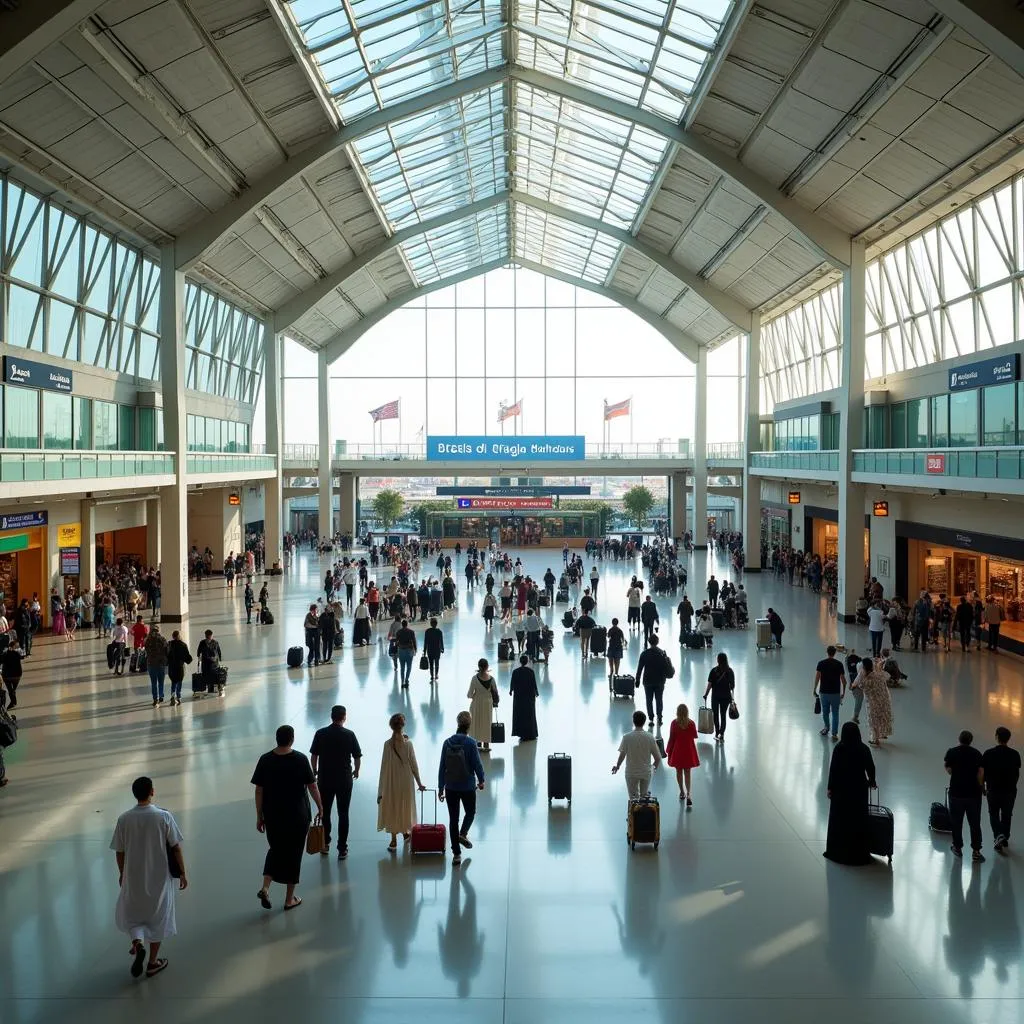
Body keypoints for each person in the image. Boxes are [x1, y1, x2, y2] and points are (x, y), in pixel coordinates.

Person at [110, 776, 187, 979]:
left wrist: (121, 873)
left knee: (134, 916)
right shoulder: (163, 817)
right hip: (159, 877)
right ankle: (152, 963)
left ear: (134, 794)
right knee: (158, 918)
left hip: (133, 876)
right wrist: (183, 872)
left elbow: (119, 850)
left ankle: (138, 943)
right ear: (152, 792)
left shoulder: (124, 818)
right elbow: (175, 847)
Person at [252, 725, 323, 911]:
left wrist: (259, 816)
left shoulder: (265, 760)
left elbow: (259, 790)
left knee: (275, 849)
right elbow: (312, 786)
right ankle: (289, 899)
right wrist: (320, 807)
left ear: (277, 738)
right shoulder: (300, 759)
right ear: (292, 739)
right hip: (297, 816)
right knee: (294, 854)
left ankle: (265, 887)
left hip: (273, 815)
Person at [310, 705, 362, 860]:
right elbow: (357, 756)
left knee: (325, 811)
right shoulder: (349, 734)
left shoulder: (321, 733)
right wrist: (356, 771)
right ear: (344, 717)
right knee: (343, 813)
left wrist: (315, 770)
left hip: (325, 779)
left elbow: (314, 755)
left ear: (331, 716)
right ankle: (342, 849)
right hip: (344, 779)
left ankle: (325, 844)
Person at [823, 722, 877, 865]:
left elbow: (833, 769)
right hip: (858, 789)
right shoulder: (864, 749)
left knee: (840, 820)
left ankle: (838, 851)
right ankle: (858, 853)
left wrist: (830, 788)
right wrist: (872, 781)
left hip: (841, 790)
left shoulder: (839, 748)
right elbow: (870, 767)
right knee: (857, 820)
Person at [438, 710, 486, 865]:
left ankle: (456, 854)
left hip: (451, 786)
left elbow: (442, 767)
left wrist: (440, 787)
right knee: (470, 812)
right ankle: (463, 833)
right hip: (467, 786)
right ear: (469, 725)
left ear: (458, 724)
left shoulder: (447, 742)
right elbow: (477, 764)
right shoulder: (471, 743)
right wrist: (481, 780)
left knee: (453, 819)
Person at [377, 712, 426, 851]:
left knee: (393, 804)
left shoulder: (387, 744)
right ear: (403, 725)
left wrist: (381, 789)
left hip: (391, 779)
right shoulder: (408, 744)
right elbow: (414, 765)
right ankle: (405, 833)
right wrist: (419, 783)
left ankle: (393, 841)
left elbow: (384, 766)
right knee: (405, 804)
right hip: (405, 778)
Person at [944, 729, 985, 863]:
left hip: (956, 793)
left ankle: (957, 847)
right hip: (973, 794)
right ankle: (976, 851)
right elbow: (980, 774)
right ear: (971, 741)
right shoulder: (977, 754)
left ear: (959, 739)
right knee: (974, 823)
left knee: (956, 822)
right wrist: (981, 788)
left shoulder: (952, 752)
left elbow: (949, 770)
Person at [982, 727, 1020, 853]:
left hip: (993, 789)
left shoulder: (988, 753)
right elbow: (1016, 773)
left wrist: (983, 786)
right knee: (1007, 814)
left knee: (993, 813)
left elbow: (983, 772)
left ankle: (998, 835)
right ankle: (1004, 837)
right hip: (1009, 791)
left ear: (997, 736)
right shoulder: (1015, 754)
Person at [612, 710, 662, 798]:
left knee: (633, 799)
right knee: (644, 798)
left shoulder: (627, 737)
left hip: (631, 773)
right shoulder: (650, 737)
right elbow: (657, 758)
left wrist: (617, 766)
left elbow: (622, 755)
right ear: (644, 722)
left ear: (633, 721)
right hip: (645, 772)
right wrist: (653, 768)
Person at [635, 634, 673, 726]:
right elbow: (666, 666)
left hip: (647, 681)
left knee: (649, 700)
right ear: (657, 642)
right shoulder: (662, 653)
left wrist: (637, 679)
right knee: (659, 699)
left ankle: (651, 719)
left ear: (649, 642)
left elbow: (640, 668)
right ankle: (659, 717)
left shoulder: (644, 654)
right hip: (660, 680)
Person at [666, 703, 699, 806]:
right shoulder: (691, 723)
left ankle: (681, 792)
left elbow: (672, 738)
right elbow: (694, 735)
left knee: (679, 771)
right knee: (688, 773)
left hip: (678, 751)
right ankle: (689, 793)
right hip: (688, 750)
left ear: (677, 712)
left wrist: (667, 750)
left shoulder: (674, 724)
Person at [814, 645, 847, 740]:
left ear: (827, 652)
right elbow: (844, 681)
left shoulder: (821, 663)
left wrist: (814, 689)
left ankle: (826, 728)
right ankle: (834, 733)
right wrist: (843, 693)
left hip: (823, 692)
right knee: (835, 713)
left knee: (825, 712)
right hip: (835, 693)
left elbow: (817, 678)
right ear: (835, 653)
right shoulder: (839, 664)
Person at [858, 657, 893, 745]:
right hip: (884, 700)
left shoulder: (867, 680)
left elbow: (861, 686)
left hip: (873, 703)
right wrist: (879, 668)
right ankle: (882, 734)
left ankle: (875, 739)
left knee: (873, 720)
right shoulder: (879, 675)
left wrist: (862, 675)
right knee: (882, 717)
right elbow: (888, 676)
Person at [702, 652, 735, 743]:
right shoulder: (730, 671)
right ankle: (722, 734)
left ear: (718, 660)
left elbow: (709, 685)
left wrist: (706, 694)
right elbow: (732, 687)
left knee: (715, 715)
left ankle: (717, 733)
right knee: (723, 715)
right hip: (726, 697)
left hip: (715, 696)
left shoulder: (714, 671)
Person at [467, 659, 498, 752]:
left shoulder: (474, 678)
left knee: (476, 723)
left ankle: (476, 744)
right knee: (486, 723)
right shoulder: (492, 679)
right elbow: (495, 692)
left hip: (477, 703)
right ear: (487, 667)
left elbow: (469, 694)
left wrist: (474, 696)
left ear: (478, 666)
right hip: (488, 704)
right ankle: (486, 744)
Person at [509, 655, 539, 742]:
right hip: (529, 696)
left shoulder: (515, 672)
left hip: (519, 696)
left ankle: (521, 733)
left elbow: (512, 683)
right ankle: (530, 733)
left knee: (520, 714)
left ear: (520, 662)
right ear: (527, 661)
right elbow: (534, 683)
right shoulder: (530, 672)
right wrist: (536, 692)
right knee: (529, 714)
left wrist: (511, 690)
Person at [143, 625, 169, 708]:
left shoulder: (148, 640)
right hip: (161, 663)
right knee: (161, 682)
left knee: (153, 683)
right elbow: (167, 650)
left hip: (151, 664)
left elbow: (146, 650)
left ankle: (155, 699)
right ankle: (161, 696)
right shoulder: (163, 639)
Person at [166, 630, 191, 706]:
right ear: (179, 636)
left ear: (173, 636)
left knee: (173, 682)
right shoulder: (183, 645)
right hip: (180, 666)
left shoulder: (169, 644)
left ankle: (173, 697)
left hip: (172, 667)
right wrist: (189, 660)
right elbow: (187, 656)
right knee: (179, 681)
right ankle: (179, 698)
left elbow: (166, 654)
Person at [196, 630, 224, 695]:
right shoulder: (202, 642)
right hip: (206, 663)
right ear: (206, 636)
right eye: (208, 636)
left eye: (210, 636)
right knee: (207, 675)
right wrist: (199, 657)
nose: (209, 637)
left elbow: (219, 651)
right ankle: (210, 689)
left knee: (215, 675)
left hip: (214, 663)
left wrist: (219, 658)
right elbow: (198, 651)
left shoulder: (215, 642)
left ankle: (219, 688)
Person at [0, 639, 23, 710]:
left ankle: (13, 702)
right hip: (17, 675)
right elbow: (21, 657)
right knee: (13, 690)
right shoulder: (17, 654)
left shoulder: (5, 654)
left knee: (10, 690)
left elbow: (1, 660)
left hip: (7, 676)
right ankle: (13, 702)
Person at [395, 618, 417, 688]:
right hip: (409, 650)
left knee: (402, 667)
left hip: (401, 650)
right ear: (407, 624)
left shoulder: (398, 632)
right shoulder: (411, 632)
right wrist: (415, 649)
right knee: (409, 666)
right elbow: (414, 641)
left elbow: (396, 642)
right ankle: (406, 680)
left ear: (402, 624)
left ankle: (402, 682)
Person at [423, 617, 444, 682]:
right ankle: (436, 674)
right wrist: (442, 648)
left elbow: (425, 642)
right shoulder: (439, 631)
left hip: (430, 650)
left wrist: (424, 650)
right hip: (437, 650)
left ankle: (432, 676)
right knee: (437, 663)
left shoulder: (427, 631)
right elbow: (441, 641)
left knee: (431, 663)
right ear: (436, 624)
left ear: (431, 624)